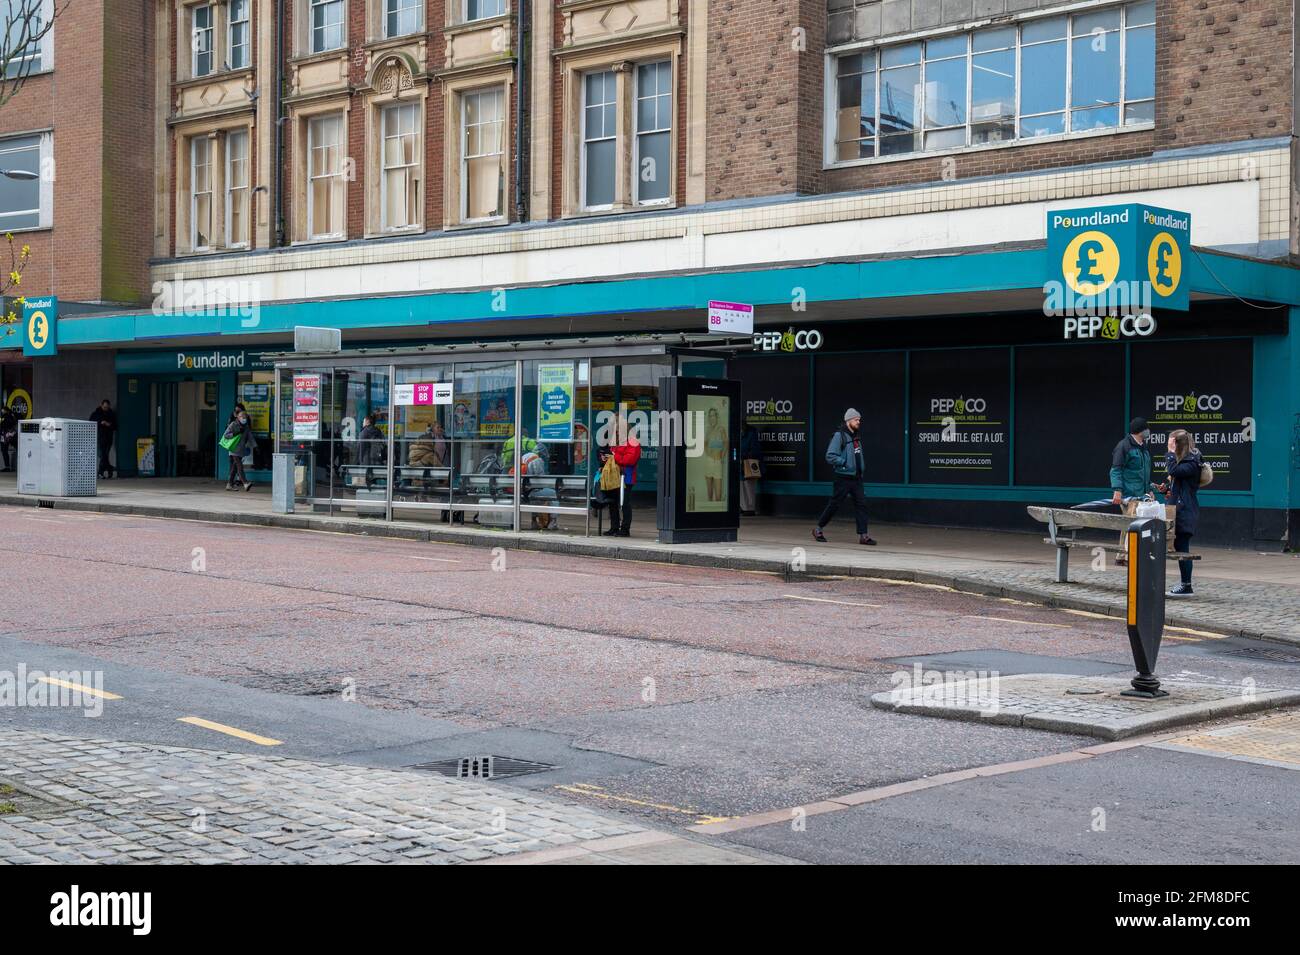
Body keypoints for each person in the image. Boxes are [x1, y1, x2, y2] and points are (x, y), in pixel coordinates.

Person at [812, 408, 875, 545]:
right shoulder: (839, 436)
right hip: (843, 477)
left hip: (857, 478)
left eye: (859, 420)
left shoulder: (856, 436)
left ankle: (863, 536)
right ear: (848, 421)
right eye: (856, 420)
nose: (859, 422)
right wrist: (844, 463)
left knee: (862, 505)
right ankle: (818, 529)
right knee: (834, 504)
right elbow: (830, 456)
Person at [1159, 429, 1202, 597]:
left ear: (1178, 444)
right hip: (1178, 507)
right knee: (1177, 547)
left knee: (1182, 548)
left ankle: (1186, 585)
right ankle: (1184, 584)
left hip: (1185, 511)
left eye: (1171, 443)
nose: (1169, 447)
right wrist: (1167, 489)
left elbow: (1174, 471)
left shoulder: (1192, 461)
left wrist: (1170, 453)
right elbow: (1177, 480)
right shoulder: (1186, 460)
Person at [1110, 416, 1154, 564]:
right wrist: (1117, 490)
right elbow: (1116, 469)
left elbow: (1142, 472)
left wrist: (1149, 490)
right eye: (1146, 428)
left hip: (1142, 494)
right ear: (1141, 431)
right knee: (1132, 525)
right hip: (1129, 494)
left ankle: (1122, 556)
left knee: (1129, 525)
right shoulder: (1124, 446)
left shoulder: (1142, 447)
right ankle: (1129, 556)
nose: (1148, 431)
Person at [602, 418, 641, 537]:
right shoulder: (615, 441)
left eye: (617, 429)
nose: (616, 432)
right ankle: (614, 527)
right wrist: (606, 458)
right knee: (612, 503)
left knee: (625, 503)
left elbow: (630, 459)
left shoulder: (633, 441)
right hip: (614, 476)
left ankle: (625, 529)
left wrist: (614, 456)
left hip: (626, 476)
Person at [222, 409, 255, 491]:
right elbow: (226, 435)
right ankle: (245, 483)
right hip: (233, 448)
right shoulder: (233, 424)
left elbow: (250, 437)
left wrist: (255, 446)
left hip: (241, 449)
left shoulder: (246, 426)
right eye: (242, 417)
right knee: (239, 465)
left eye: (245, 417)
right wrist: (236, 432)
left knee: (234, 467)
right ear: (238, 417)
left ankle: (229, 484)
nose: (244, 419)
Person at [89, 399, 118, 479]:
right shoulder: (96, 414)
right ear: (101, 405)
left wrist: (109, 424)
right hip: (99, 437)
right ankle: (110, 468)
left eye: (107, 407)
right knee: (102, 455)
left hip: (108, 438)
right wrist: (101, 422)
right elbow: (90, 423)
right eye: (104, 407)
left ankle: (100, 472)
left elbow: (115, 426)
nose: (106, 408)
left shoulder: (111, 414)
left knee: (105, 456)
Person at [739, 421, 762, 516]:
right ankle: (744, 507)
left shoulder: (751, 433)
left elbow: (755, 449)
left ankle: (750, 508)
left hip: (748, 462)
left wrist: (744, 456)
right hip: (739, 462)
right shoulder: (738, 433)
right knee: (741, 485)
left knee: (749, 485)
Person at [0, 404, 17, 471]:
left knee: (4, 450)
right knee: (16, 448)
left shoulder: (4, 417)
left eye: (3, 410)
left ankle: (7, 467)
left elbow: (2, 426)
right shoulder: (12, 416)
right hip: (11, 435)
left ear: (5, 410)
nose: (2, 411)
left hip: (5, 435)